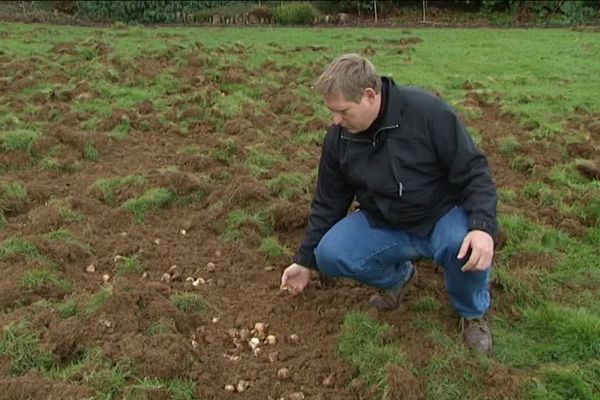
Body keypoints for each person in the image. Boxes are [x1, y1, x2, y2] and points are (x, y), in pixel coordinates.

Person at [280, 54, 498, 354]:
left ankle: (472, 312)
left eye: (343, 111)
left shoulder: (427, 113)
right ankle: (400, 277)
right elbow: (328, 202)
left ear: (370, 96)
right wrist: (304, 261)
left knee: (464, 244)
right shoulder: (339, 138)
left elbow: (474, 171)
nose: (336, 121)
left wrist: (483, 227)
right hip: (385, 221)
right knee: (330, 254)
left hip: (441, 215)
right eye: (332, 112)